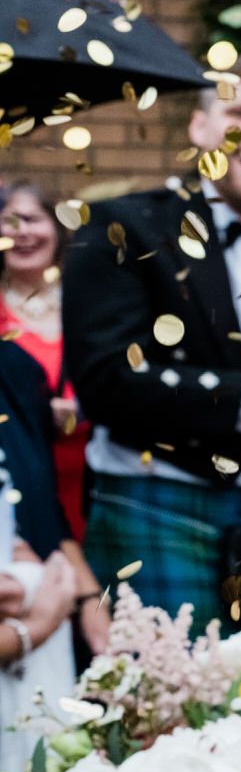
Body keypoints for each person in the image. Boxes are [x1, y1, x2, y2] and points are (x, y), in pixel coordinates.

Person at [63, 53, 241, 634]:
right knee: (165, 715)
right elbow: (105, 382)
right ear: (199, 129)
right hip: (154, 502)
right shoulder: (123, 226)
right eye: (238, 111)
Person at [0, 340, 102, 772]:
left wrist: (87, 596)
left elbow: (35, 508)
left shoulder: (14, 369)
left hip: (34, 686)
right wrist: (35, 627)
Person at [0, 185, 89, 542]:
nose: (21, 232)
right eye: (9, 222)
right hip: (18, 476)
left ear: (57, 229)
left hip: (86, 474)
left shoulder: (89, 303)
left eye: (33, 219)